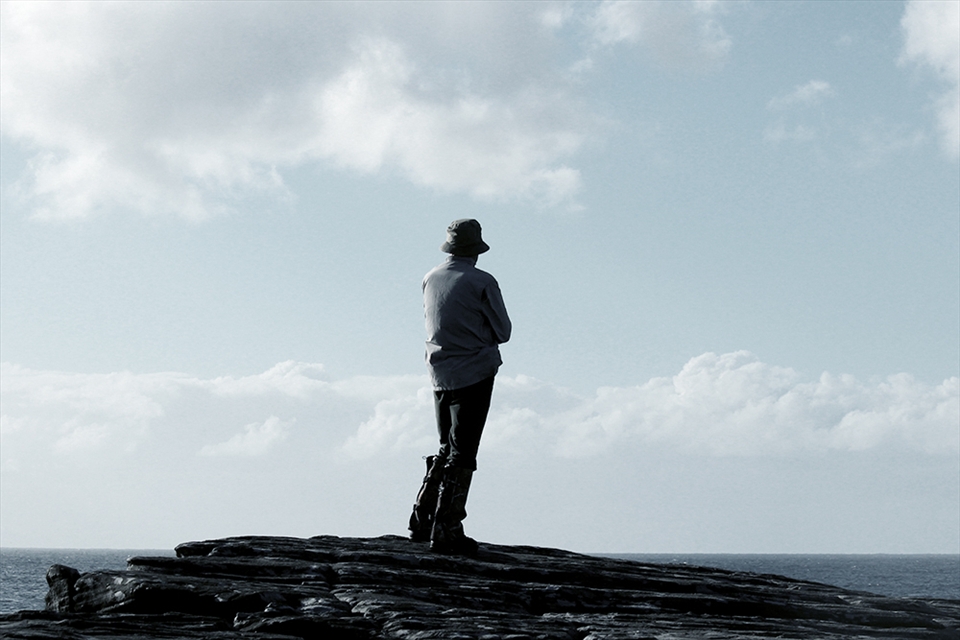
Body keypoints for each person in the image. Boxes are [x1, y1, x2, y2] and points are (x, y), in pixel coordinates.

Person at [408, 219, 511, 555]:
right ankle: (448, 528)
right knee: (464, 450)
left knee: (445, 446)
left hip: (438, 368)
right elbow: (503, 331)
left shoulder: (430, 277)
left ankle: (421, 520)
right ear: (476, 250)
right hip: (475, 369)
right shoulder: (482, 281)